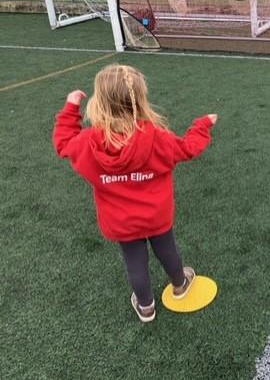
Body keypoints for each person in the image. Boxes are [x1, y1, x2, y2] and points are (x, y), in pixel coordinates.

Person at [53, 64, 217, 322]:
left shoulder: (86, 143)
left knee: (134, 261)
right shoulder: (157, 138)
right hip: (156, 216)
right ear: (140, 101)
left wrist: (71, 109)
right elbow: (188, 148)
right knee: (167, 249)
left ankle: (146, 306)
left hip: (120, 221)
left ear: (99, 102)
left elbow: (63, 144)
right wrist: (202, 125)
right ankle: (180, 285)